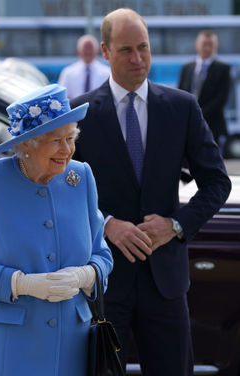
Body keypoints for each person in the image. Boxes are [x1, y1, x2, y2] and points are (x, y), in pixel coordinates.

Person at [71, 8, 231, 376]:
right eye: (126, 50)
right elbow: (62, 191)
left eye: (143, 47)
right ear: (105, 51)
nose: (138, 58)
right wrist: (107, 224)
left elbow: (217, 183)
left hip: (166, 285)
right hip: (104, 281)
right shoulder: (78, 113)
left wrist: (175, 226)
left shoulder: (181, 108)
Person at [0, 84, 113, 376]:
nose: (67, 150)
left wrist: (86, 275)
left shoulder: (81, 177)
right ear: (27, 144)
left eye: (71, 138)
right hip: (9, 349)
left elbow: (102, 254)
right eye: (56, 141)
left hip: (71, 348)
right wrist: (21, 284)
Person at [178, 29, 231, 145]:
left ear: (216, 46)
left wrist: (198, 114)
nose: (207, 48)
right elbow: (180, 93)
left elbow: (221, 99)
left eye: (210, 44)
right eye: (204, 44)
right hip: (189, 125)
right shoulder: (187, 68)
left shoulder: (224, 69)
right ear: (197, 45)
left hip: (213, 126)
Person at [58, 34, 110, 99]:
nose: (88, 52)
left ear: (97, 51)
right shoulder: (67, 73)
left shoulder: (107, 73)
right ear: (78, 51)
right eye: (85, 48)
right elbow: (62, 97)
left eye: (90, 48)